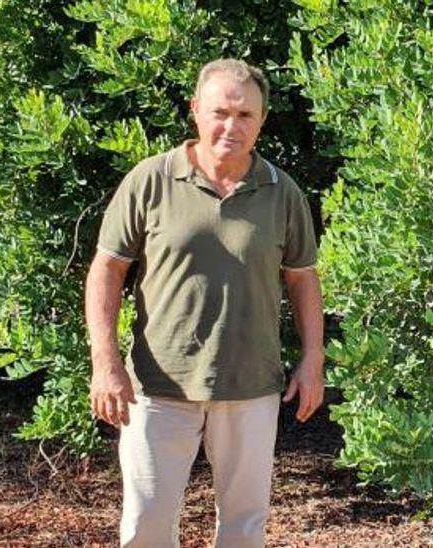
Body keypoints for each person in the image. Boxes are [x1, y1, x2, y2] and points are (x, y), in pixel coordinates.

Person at [84, 58, 324, 547]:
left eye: (245, 116)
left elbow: (303, 280)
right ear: (195, 111)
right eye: (220, 112)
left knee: (243, 527)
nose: (230, 126)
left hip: (251, 386)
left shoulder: (282, 193)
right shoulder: (150, 180)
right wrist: (105, 362)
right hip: (156, 385)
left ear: (262, 121)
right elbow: (106, 271)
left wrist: (312, 359)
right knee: (145, 528)